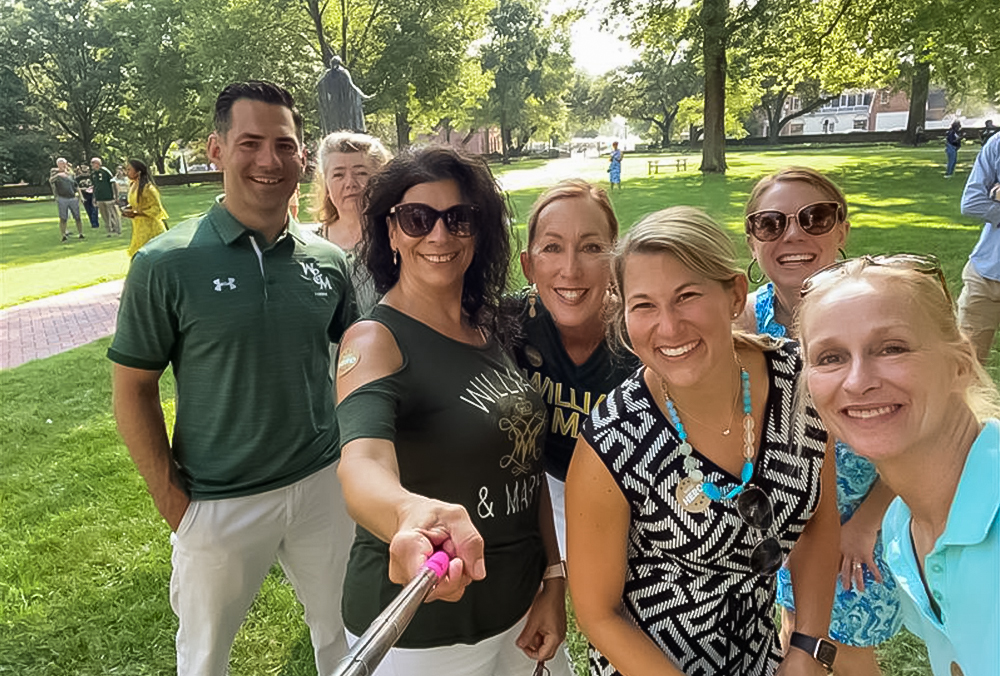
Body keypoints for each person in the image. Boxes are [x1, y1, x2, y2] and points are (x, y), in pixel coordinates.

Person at [108, 81, 358, 676]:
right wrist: (174, 501)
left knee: (347, 638)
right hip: (217, 499)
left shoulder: (328, 260)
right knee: (205, 658)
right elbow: (132, 389)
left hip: (323, 485)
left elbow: (353, 363)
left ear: (302, 156)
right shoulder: (164, 263)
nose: (269, 160)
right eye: (250, 142)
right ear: (217, 150)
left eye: (284, 144)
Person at [566, 207, 841, 676]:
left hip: (760, 658)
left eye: (687, 296)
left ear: (734, 294)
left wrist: (807, 647)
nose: (668, 327)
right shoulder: (613, 439)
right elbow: (597, 614)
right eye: (644, 305)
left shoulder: (801, 385)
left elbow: (817, 521)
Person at [335, 146, 573, 676]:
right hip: (420, 635)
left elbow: (525, 465)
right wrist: (407, 514)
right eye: (417, 219)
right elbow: (361, 462)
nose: (439, 236)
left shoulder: (492, 328)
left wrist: (553, 580)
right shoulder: (375, 340)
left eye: (458, 218)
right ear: (391, 233)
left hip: (519, 615)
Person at [796, 254, 1000, 676]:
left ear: (960, 365)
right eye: (830, 357)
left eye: (892, 348)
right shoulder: (902, 528)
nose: (857, 381)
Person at [737, 167, 901, 674]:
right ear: (752, 238)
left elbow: (916, 431)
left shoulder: (876, 311)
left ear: (842, 229)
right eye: (771, 223)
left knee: (844, 650)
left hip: (860, 517)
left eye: (815, 218)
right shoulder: (743, 319)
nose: (793, 235)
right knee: (797, 637)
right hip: (784, 521)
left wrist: (866, 524)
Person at [512, 179, 638, 556]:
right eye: (552, 247)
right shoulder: (509, 328)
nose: (570, 268)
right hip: (542, 484)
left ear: (616, 261)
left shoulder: (640, 335)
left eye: (591, 248)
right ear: (528, 265)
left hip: (628, 491)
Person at [311, 130, 392, 314]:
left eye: (361, 173)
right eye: (338, 175)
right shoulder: (309, 246)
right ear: (326, 183)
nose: (350, 183)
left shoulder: (396, 240)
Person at [957, 133, 1000, 363]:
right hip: (985, 274)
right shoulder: (998, 143)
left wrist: (995, 193)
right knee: (965, 366)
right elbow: (972, 202)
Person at [121, 159, 168, 257]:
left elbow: (156, 209)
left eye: (129, 169)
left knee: (148, 254)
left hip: (150, 228)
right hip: (138, 226)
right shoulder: (133, 185)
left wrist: (137, 213)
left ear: (138, 172)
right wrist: (127, 209)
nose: (127, 172)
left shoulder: (148, 189)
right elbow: (135, 204)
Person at [49, 158, 84, 242]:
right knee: (63, 218)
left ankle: (81, 233)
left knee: (77, 217)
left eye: (63, 163)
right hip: (62, 198)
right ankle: (63, 235)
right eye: (60, 164)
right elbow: (50, 181)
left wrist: (81, 196)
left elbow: (76, 186)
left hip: (72, 197)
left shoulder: (70, 175)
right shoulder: (56, 176)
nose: (62, 165)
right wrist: (57, 175)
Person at [91, 157, 122, 236]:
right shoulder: (93, 174)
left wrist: (115, 195)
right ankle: (109, 230)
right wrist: (94, 197)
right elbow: (94, 186)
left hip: (109, 196)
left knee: (113, 214)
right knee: (104, 215)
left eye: (93, 163)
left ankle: (117, 229)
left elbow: (113, 183)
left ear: (97, 164)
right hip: (99, 198)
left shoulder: (105, 171)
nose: (91, 165)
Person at [76, 163, 101, 229]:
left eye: (85, 167)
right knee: (88, 210)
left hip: (93, 194)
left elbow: (96, 184)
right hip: (84, 195)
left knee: (94, 209)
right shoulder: (78, 178)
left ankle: (95, 223)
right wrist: (83, 190)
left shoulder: (92, 176)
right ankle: (93, 223)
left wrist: (92, 188)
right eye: (82, 167)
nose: (84, 169)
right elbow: (77, 187)